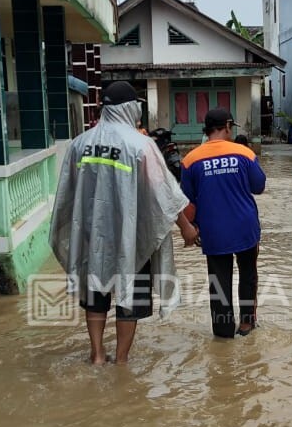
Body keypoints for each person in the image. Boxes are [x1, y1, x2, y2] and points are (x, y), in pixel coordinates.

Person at [50, 81, 198, 365]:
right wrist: (186, 227)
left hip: (92, 236)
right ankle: (120, 360)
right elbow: (162, 193)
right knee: (128, 297)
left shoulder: (80, 144)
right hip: (131, 236)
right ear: (130, 108)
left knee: (96, 293)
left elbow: (67, 194)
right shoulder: (141, 144)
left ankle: (96, 354)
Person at [180, 108, 266, 338]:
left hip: (213, 231)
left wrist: (192, 227)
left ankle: (223, 333)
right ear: (227, 126)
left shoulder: (190, 160)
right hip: (245, 228)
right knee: (248, 274)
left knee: (218, 282)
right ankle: (247, 325)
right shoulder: (244, 153)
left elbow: (186, 203)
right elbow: (259, 186)